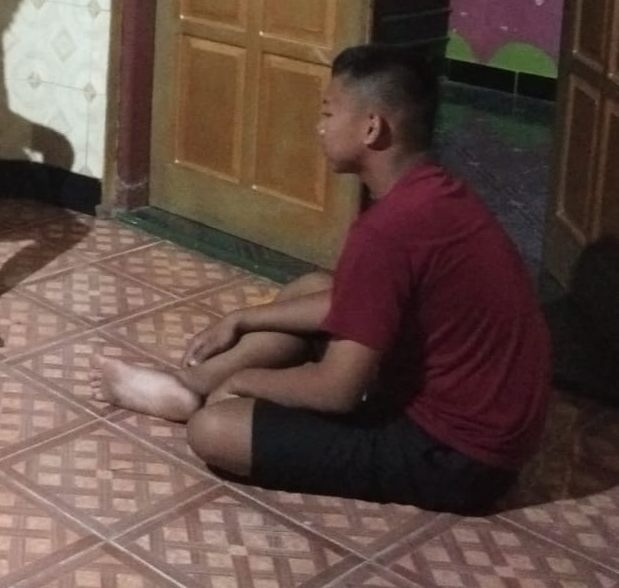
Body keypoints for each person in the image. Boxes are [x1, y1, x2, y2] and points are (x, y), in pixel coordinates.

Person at [99, 45, 550, 513]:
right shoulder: (434, 193)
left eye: (328, 113)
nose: (319, 127)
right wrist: (244, 318)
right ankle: (188, 385)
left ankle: (198, 399)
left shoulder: (389, 230)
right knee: (312, 289)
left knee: (214, 430)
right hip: (475, 423)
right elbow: (349, 301)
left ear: (372, 128)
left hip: (458, 456)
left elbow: (338, 391)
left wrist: (247, 381)